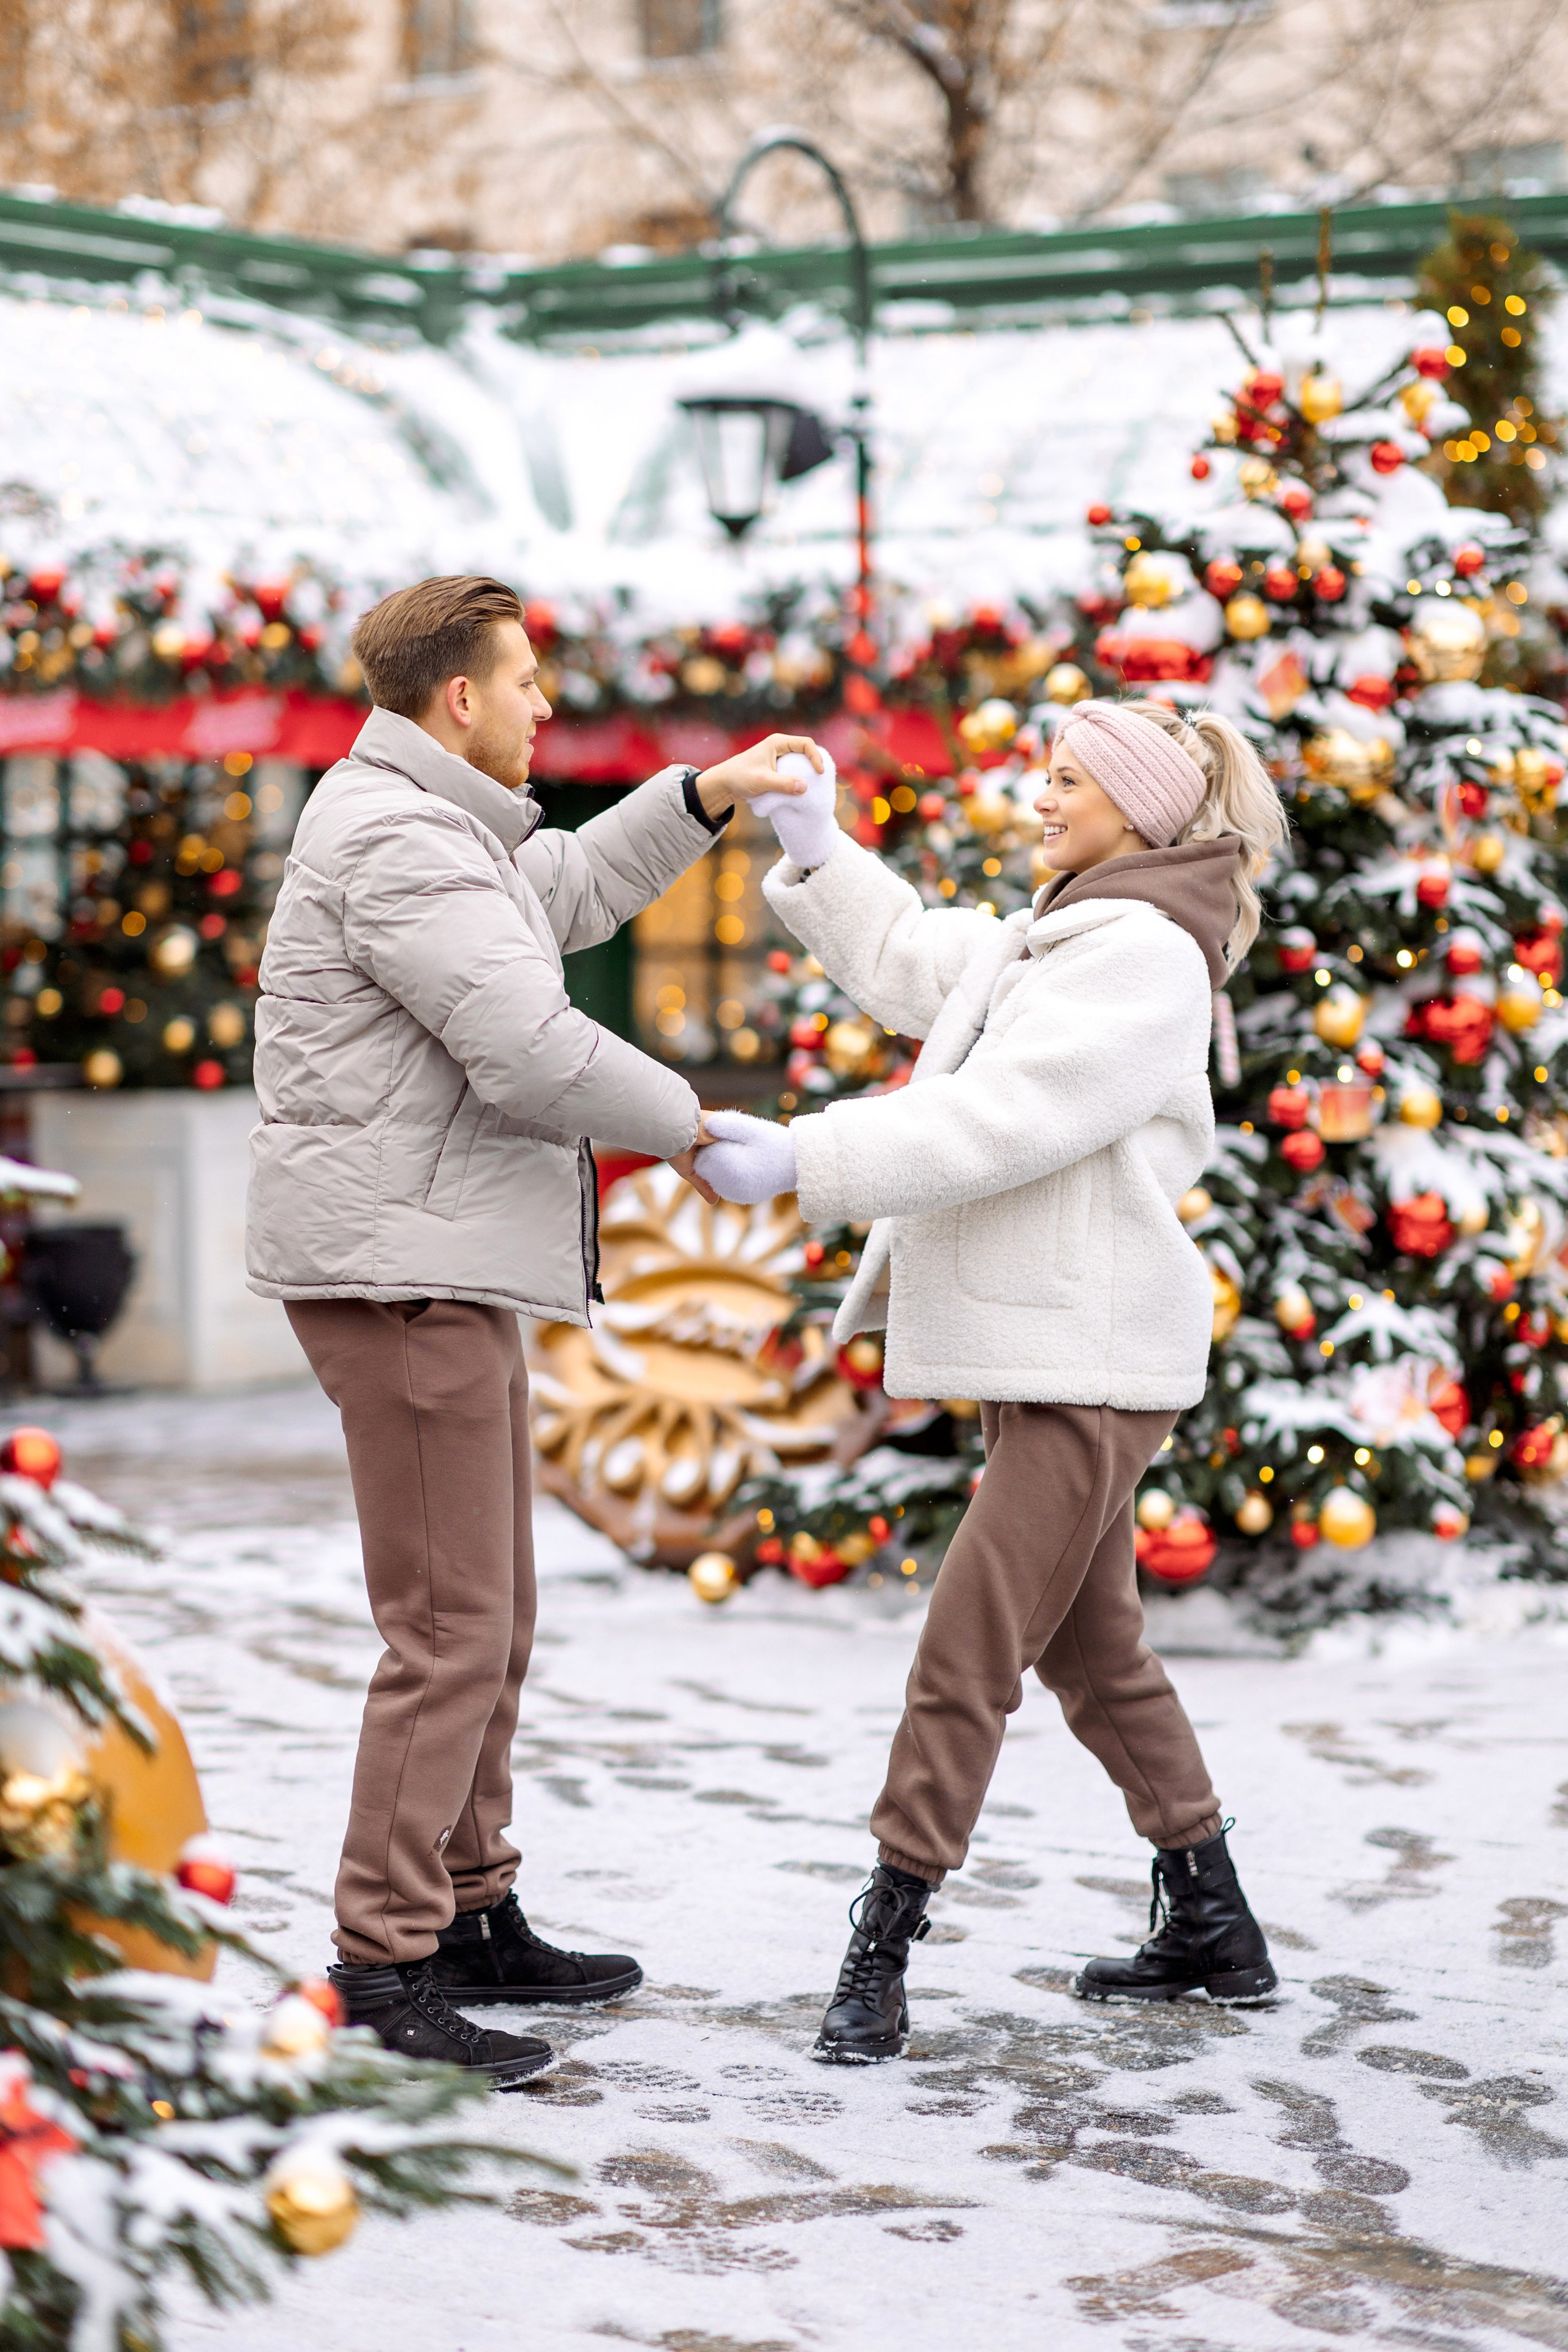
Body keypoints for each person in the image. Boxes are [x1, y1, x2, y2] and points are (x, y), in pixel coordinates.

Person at [246, 573, 818, 2088]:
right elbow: (519, 1043)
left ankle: (470, 1905)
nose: (546, 704)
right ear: (458, 700)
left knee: (488, 1618)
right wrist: (690, 1127)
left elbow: (555, 901)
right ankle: (382, 1961)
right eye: (526, 681)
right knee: (448, 1632)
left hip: (440, 1266)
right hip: (399, 1276)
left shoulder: (442, 832)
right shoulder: (393, 837)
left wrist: (703, 795)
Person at [696, 698, 1290, 2064]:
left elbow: (998, 1117)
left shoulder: (1138, 956)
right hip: (1060, 1349)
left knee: (965, 1646)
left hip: (1090, 1357)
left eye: (1065, 778)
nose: (1036, 794)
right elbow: (914, 960)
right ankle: (1211, 1922)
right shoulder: (1059, 932)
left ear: (1135, 811)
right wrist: (816, 844)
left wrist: (804, 1159)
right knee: (1094, 1650)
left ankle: (883, 1941)